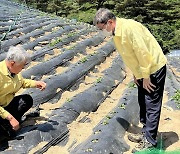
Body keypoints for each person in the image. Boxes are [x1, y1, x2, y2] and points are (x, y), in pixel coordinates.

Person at [94, 8, 167, 152]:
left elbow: (143, 53)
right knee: (143, 102)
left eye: (102, 28)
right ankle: (146, 133)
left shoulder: (129, 29)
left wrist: (145, 76)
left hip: (153, 68)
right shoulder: (116, 33)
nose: (102, 31)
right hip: (142, 70)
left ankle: (150, 142)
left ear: (110, 22)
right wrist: (136, 73)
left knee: (151, 103)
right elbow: (130, 55)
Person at [0, 46, 46, 142]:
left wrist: (36, 84)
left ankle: (7, 125)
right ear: (12, 63)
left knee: (26, 100)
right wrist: (10, 117)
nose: (23, 68)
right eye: (22, 66)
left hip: (6, 105)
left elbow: (21, 82)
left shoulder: (13, 72)